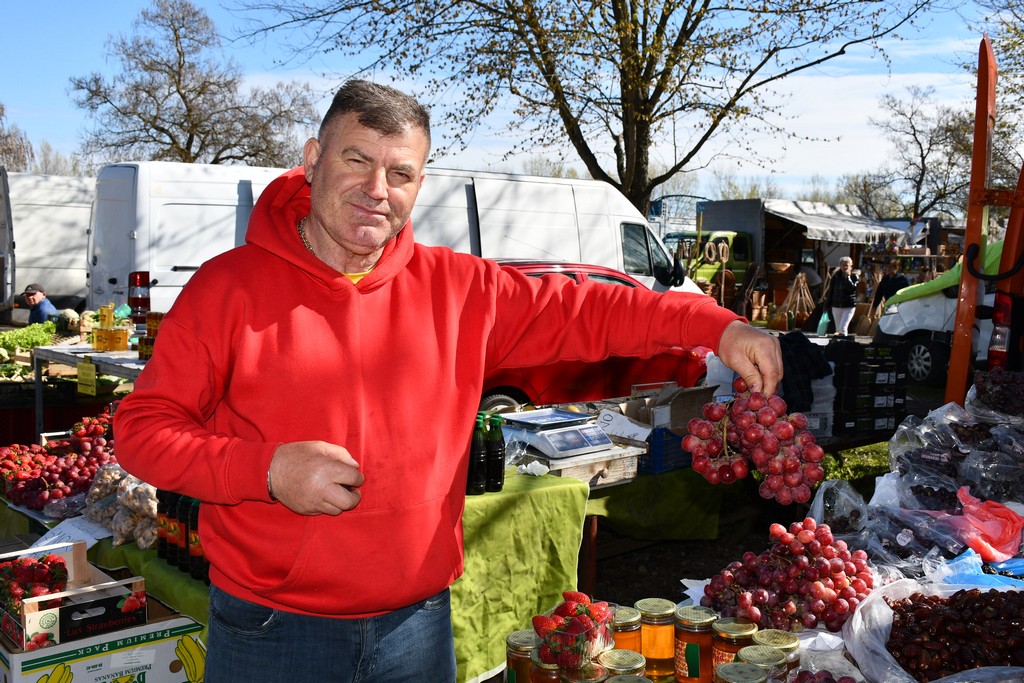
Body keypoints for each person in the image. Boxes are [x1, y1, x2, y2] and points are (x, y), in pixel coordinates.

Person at [112, 80, 783, 682]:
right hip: (273, 632)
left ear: (418, 186)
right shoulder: (226, 288)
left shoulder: (461, 290)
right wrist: (266, 470)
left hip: (417, 628)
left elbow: (593, 306)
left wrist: (715, 324)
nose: (378, 187)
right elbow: (141, 432)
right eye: (357, 160)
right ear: (313, 161)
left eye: (400, 172)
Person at [826, 256, 859, 336]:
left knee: (843, 327)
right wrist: (827, 304)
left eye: (846, 265)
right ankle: (839, 344)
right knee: (838, 329)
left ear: (851, 265)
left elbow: (852, 289)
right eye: (843, 265)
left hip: (849, 305)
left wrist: (847, 278)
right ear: (840, 266)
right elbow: (831, 291)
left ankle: (844, 344)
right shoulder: (836, 276)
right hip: (836, 305)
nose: (845, 267)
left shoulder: (854, 276)